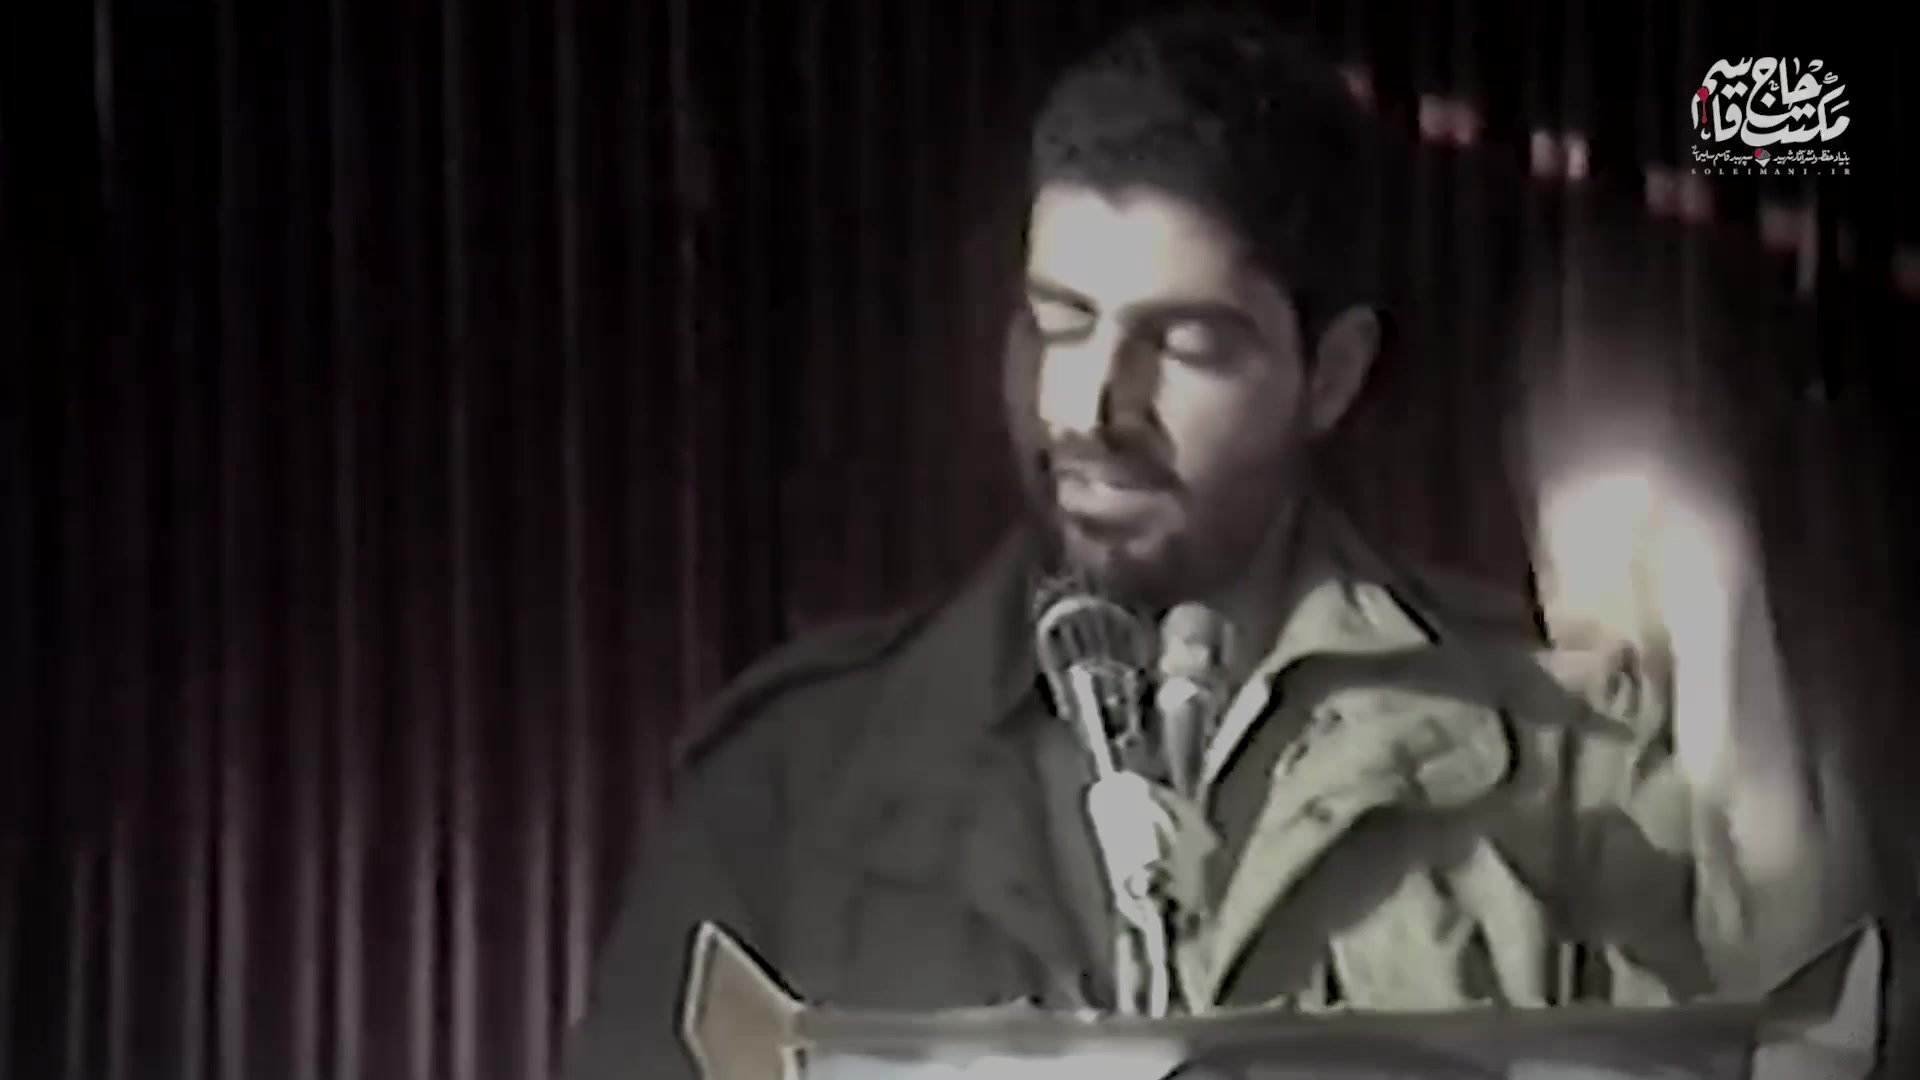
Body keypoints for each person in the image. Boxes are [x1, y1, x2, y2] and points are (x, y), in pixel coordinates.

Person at [559, 13, 1869, 1079]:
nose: (1091, 408)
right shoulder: (798, 785)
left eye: (1184, 344)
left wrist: (1732, 665)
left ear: (1331, 375)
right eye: (1057, 323)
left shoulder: (1568, 777)